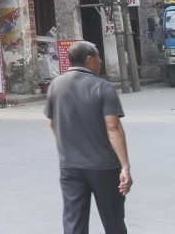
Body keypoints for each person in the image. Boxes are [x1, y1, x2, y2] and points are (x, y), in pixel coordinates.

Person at [45, 41, 131, 234]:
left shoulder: (56, 85)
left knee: (74, 221)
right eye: (98, 57)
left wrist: (69, 147)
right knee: (113, 220)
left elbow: (52, 122)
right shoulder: (103, 87)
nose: (100, 61)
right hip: (103, 166)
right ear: (89, 59)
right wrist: (125, 167)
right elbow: (113, 127)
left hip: (70, 166)